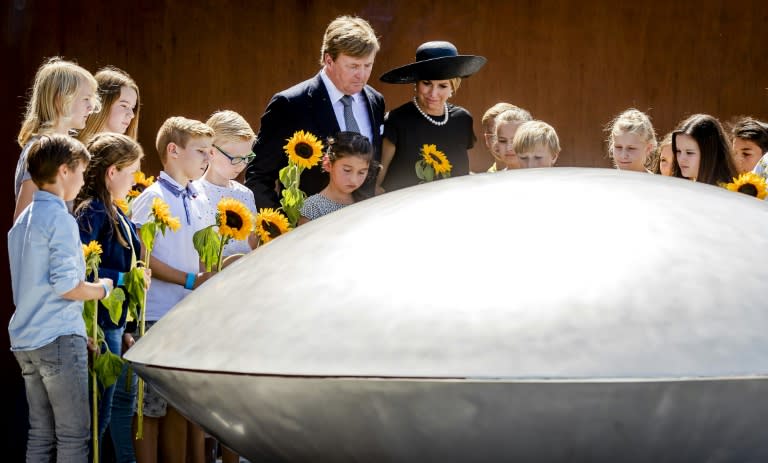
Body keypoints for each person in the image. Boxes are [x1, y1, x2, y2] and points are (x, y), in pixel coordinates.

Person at [9, 134, 114, 462]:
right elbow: (67, 286)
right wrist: (103, 288)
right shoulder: (60, 219)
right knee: (73, 435)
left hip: (26, 340)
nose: (83, 181)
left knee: (40, 433)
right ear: (65, 171)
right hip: (56, 337)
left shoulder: (21, 222)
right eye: (82, 172)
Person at [131, 117, 216, 463]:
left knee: (183, 404)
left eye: (210, 151)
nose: (207, 158)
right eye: (200, 151)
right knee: (150, 406)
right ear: (173, 151)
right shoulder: (151, 198)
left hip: (190, 315)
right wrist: (191, 280)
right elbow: (142, 256)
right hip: (158, 314)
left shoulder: (200, 195)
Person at [246, 15, 385, 209]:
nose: (361, 75)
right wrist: (281, 230)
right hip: (310, 228)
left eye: (367, 65)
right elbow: (259, 177)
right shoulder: (290, 104)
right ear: (329, 60)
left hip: (361, 226)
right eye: (353, 66)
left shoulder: (375, 100)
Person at [73, 133, 150, 463]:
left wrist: (130, 322)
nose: (135, 180)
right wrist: (124, 278)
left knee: (111, 409)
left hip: (117, 324)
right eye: (131, 171)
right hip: (99, 325)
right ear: (111, 172)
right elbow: (84, 264)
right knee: (97, 415)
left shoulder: (119, 214)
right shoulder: (92, 213)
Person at [376, 41, 486, 192]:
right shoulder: (397, 120)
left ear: (453, 87)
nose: (433, 94)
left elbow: (462, 171)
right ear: (416, 83)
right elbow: (378, 180)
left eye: (442, 86)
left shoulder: (462, 119)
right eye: (427, 83)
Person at [15, 57, 100, 221]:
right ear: (61, 100)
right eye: (85, 99)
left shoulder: (70, 148)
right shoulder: (41, 149)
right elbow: (23, 221)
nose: (91, 107)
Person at [195, 110, 258, 257]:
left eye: (246, 158)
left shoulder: (245, 194)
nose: (241, 165)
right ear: (211, 151)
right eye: (235, 158)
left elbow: (252, 242)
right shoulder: (195, 194)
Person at [299, 131, 373, 224]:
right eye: (347, 170)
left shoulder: (368, 201)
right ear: (328, 164)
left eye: (361, 172)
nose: (353, 180)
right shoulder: (313, 208)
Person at [77, 66, 140, 143]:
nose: (132, 115)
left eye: (133, 108)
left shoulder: (127, 153)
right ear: (102, 104)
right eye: (124, 105)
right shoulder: (71, 150)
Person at [671, 114, 734, 185]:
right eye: (678, 151)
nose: (681, 159)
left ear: (709, 154)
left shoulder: (723, 192)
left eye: (689, 153)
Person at [605, 108, 657, 172]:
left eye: (631, 148)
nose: (623, 155)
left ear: (648, 148)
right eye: (618, 147)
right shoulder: (605, 181)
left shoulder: (656, 182)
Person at [480, 102, 524, 172]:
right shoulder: (486, 179)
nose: (508, 146)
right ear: (487, 139)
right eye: (496, 136)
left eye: (514, 138)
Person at [492, 106, 534, 172]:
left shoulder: (545, 179)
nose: (508, 148)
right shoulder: (493, 180)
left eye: (515, 140)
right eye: (503, 141)